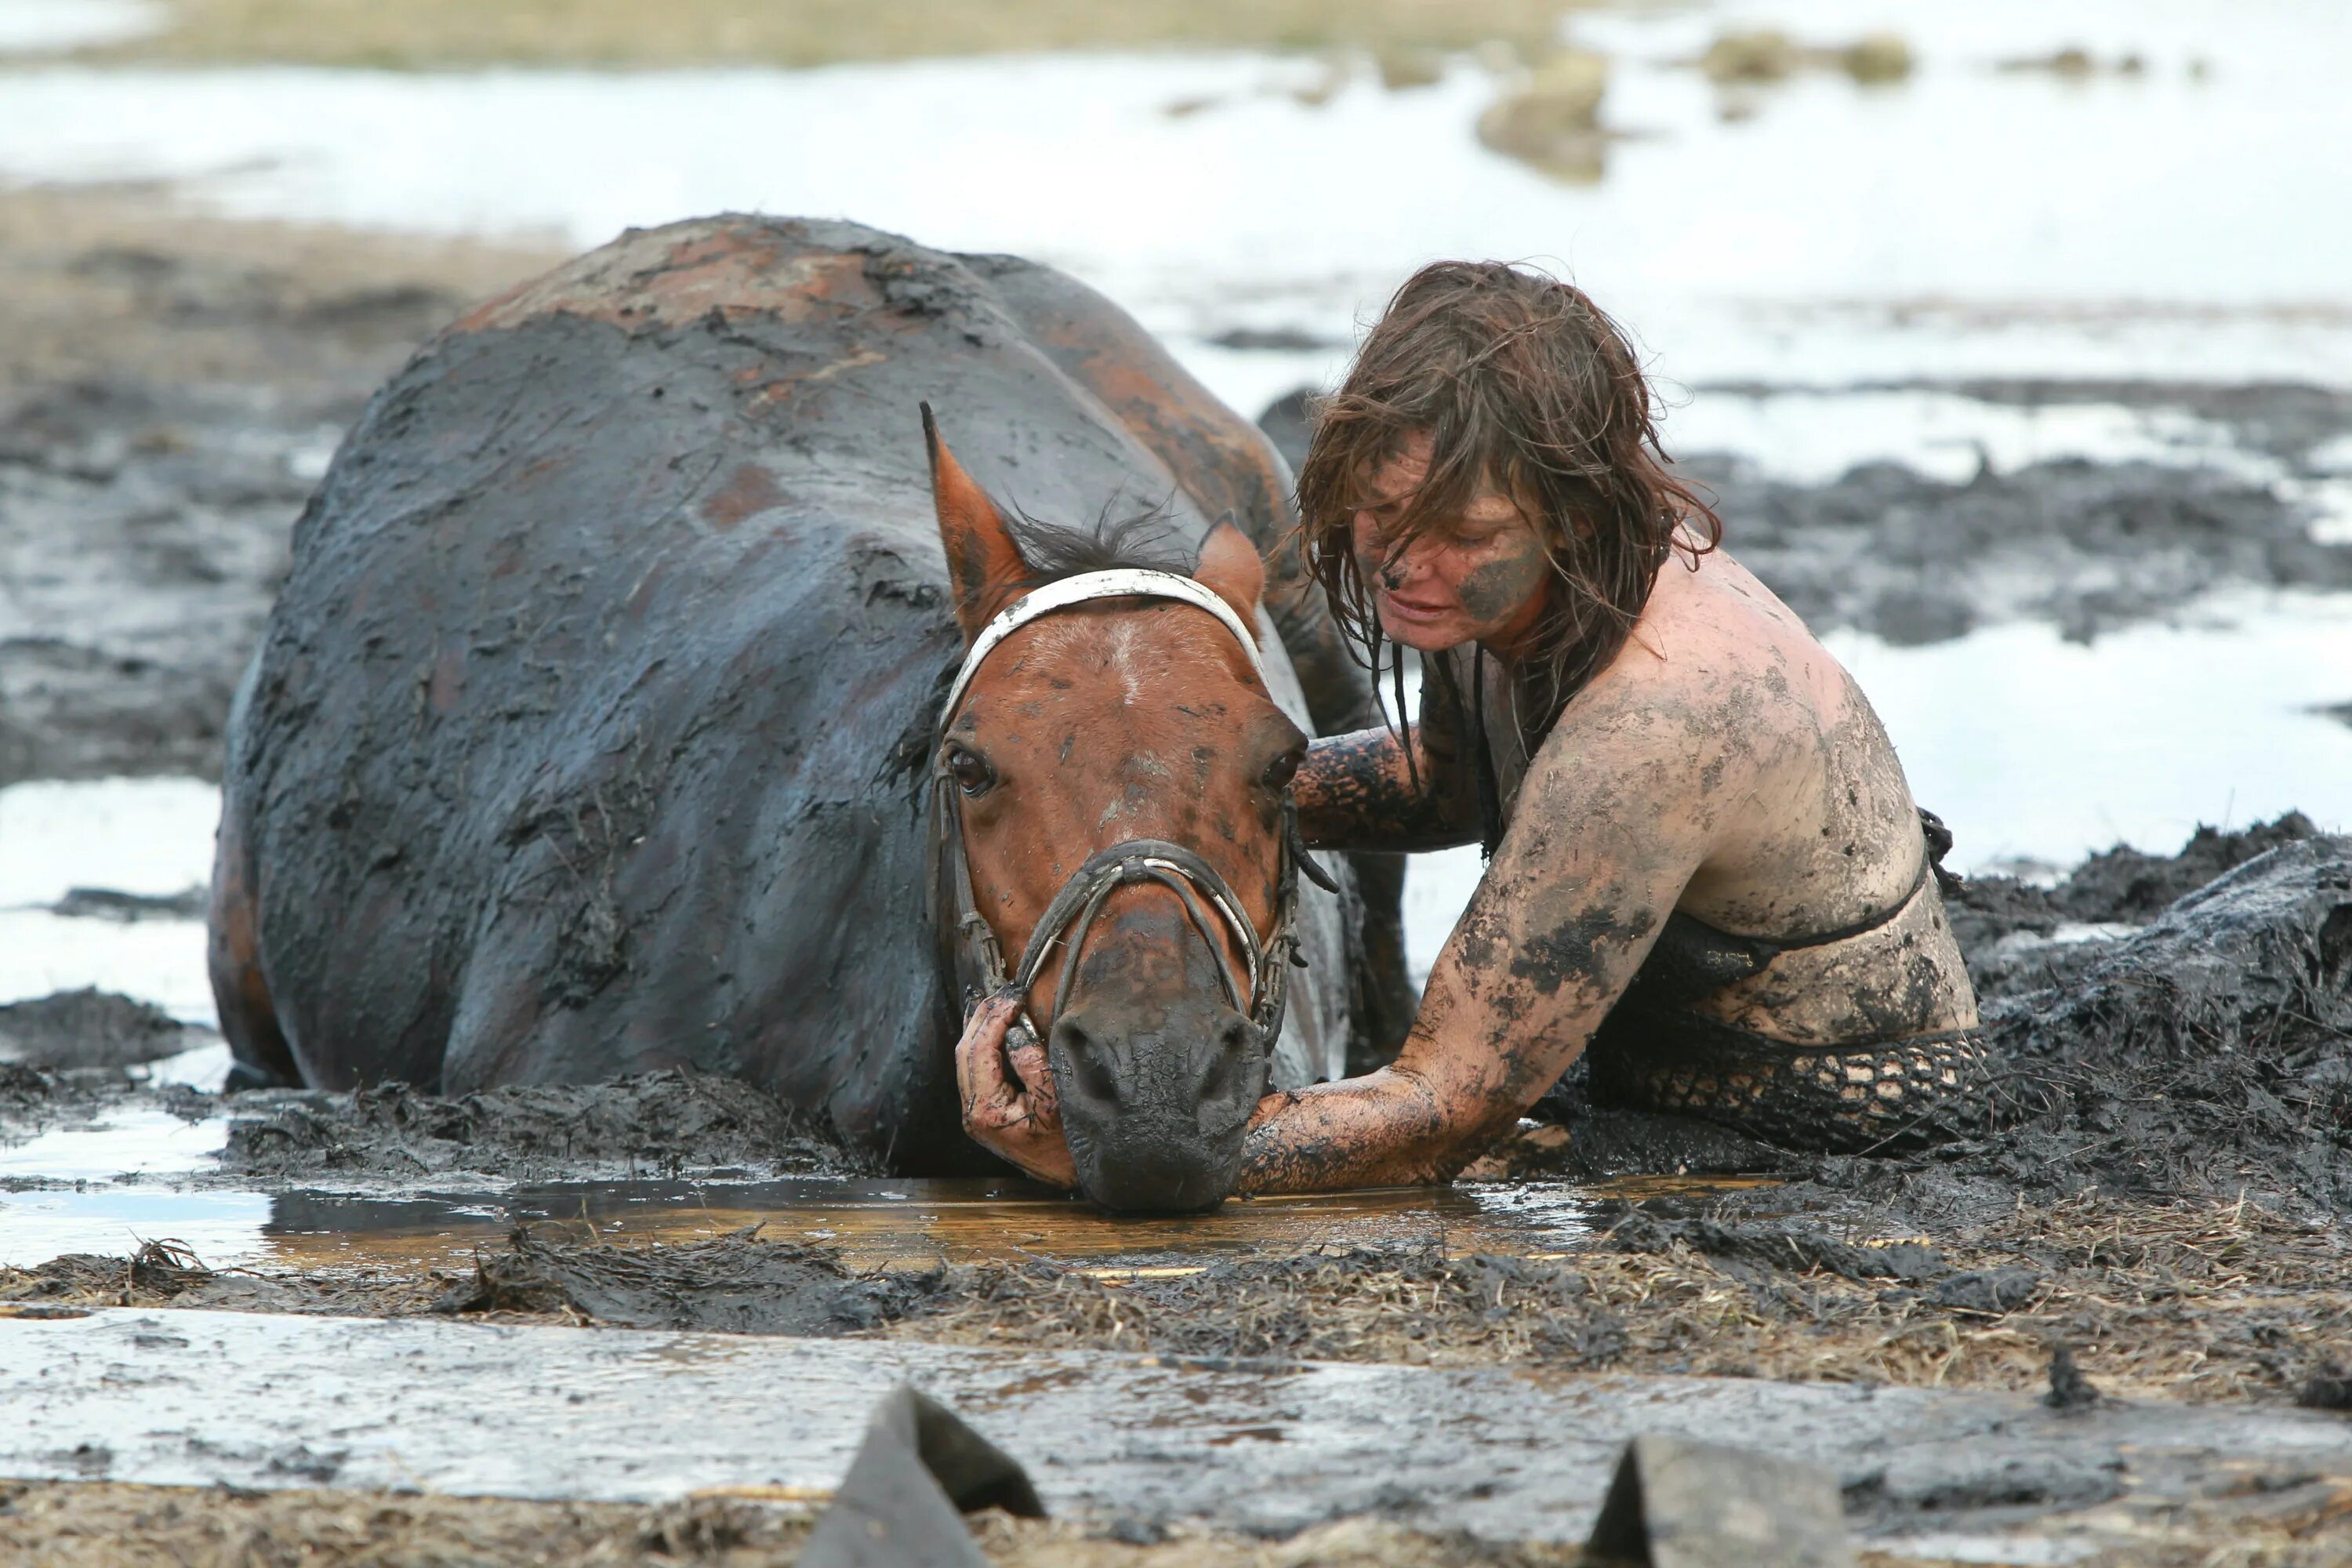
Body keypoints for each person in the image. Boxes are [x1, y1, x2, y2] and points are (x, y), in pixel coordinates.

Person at [961, 260, 1986, 1192]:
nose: (1405, 564)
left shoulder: (1661, 716)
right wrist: (1173, 803)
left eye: (1463, 534)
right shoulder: (1506, 590)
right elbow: (1450, 782)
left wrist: (1122, 1142)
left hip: (1831, 1129)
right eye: (1381, 514)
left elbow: (1444, 1107)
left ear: (1578, 511)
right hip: (1648, 1074)